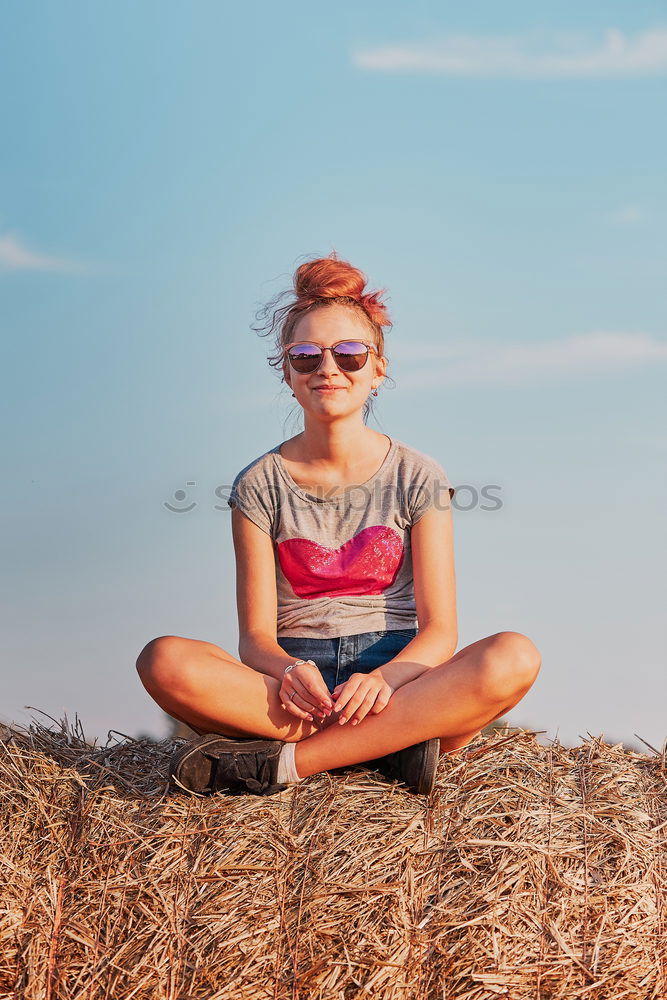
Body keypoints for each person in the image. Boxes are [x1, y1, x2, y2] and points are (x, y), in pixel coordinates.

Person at [136, 251, 541, 797]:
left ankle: (287, 766)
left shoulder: (418, 474)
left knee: (512, 657)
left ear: (378, 369)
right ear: (287, 372)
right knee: (164, 660)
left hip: (398, 679)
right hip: (297, 688)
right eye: (306, 355)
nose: (328, 367)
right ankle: (388, 749)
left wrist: (384, 680)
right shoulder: (257, 484)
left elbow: (440, 629)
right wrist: (285, 672)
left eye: (350, 353)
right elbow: (255, 636)